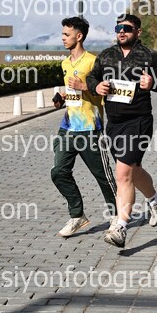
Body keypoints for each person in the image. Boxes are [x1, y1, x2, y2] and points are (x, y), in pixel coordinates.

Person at [86, 13, 157, 248]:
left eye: (126, 28)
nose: (121, 32)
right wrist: (96, 86)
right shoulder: (106, 55)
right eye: (118, 28)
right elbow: (91, 77)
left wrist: (153, 83)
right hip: (114, 124)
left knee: (123, 173)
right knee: (132, 171)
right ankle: (156, 200)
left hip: (139, 121)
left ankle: (120, 227)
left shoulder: (150, 56)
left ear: (138, 31)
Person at [51, 16, 118, 237]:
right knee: (58, 172)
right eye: (62, 34)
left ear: (79, 36)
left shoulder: (93, 62)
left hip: (90, 129)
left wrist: (84, 86)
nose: (63, 38)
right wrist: (62, 98)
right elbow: (73, 93)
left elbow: (106, 90)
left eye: (66, 34)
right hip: (68, 127)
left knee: (103, 176)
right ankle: (77, 215)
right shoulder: (65, 63)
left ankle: (117, 216)